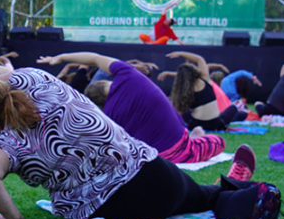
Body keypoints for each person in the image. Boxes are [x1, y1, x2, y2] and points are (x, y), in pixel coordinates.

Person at [0, 67, 276, 219]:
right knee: (204, 197)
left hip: (116, 205)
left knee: (202, 200)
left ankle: (242, 192)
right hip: (152, 170)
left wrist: (12, 217)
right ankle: (242, 188)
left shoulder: (10, 143)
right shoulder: (37, 79)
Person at [38, 52, 225, 164]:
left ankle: (195, 135)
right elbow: (94, 58)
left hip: (155, 158)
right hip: (180, 150)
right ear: (106, 81)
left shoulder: (108, 119)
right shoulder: (127, 74)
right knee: (218, 141)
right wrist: (61, 58)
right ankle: (196, 136)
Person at [165, 51, 246, 130]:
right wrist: (181, 54)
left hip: (195, 125)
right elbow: (199, 59)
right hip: (216, 124)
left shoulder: (183, 91)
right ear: (194, 71)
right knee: (235, 106)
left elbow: (179, 113)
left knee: (175, 104)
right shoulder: (205, 79)